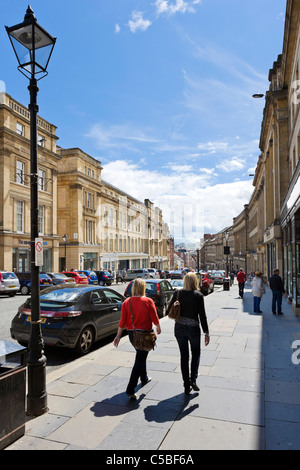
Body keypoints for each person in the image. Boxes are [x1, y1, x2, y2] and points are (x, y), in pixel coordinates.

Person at [113, 278, 161, 399]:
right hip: (145, 335)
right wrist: (158, 327)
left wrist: (118, 336)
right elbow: (154, 317)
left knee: (141, 355)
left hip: (132, 335)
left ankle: (144, 378)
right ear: (143, 288)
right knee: (140, 359)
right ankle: (130, 388)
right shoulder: (148, 301)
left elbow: (122, 321)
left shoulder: (127, 302)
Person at [167, 271, 210, 395]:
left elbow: (169, 309)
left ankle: (186, 385)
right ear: (195, 282)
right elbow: (202, 316)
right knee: (196, 354)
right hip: (193, 329)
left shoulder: (178, 293)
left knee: (184, 356)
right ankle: (193, 380)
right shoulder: (198, 295)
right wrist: (206, 332)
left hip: (179, 328)